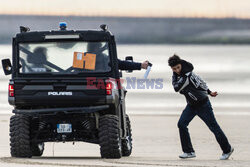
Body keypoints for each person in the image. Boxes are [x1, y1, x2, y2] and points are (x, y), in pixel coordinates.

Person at [168, 54, 234, 160]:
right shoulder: (184, 71)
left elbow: (176, 87)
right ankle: (189, 151)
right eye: (174, 69)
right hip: (191, 105)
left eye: (178, 68)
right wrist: (209, 92)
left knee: (214, 128)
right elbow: (201, 83)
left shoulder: (187, 76)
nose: (177, 70)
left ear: (181, 65)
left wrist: (208, 93)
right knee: (181, 124)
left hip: (203, 105)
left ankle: (227, 149)